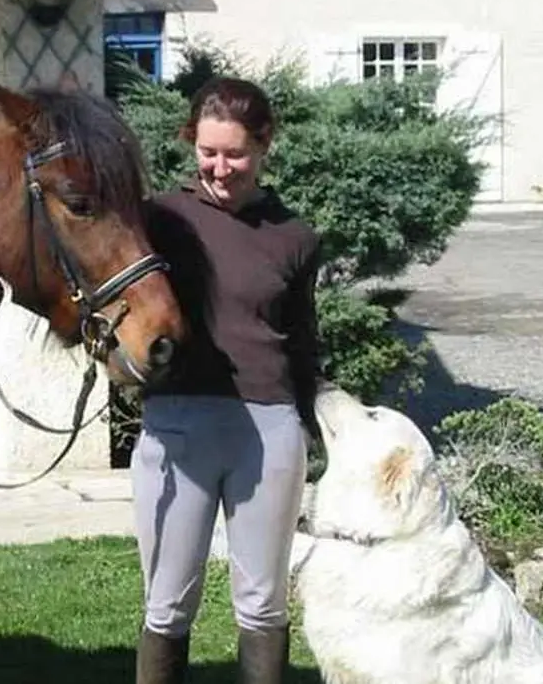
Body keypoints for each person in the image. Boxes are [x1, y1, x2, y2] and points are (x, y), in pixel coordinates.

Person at [132, 76, 323, 684]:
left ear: (265, 146)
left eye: (235, 153)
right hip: (177, 427)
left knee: (263, 602)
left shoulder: (293, 237)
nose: (219, 168)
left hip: (267, 433)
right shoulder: (158, 221)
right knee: (166, 605)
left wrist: (313, 424)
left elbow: (303, 341)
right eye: (208, 152)